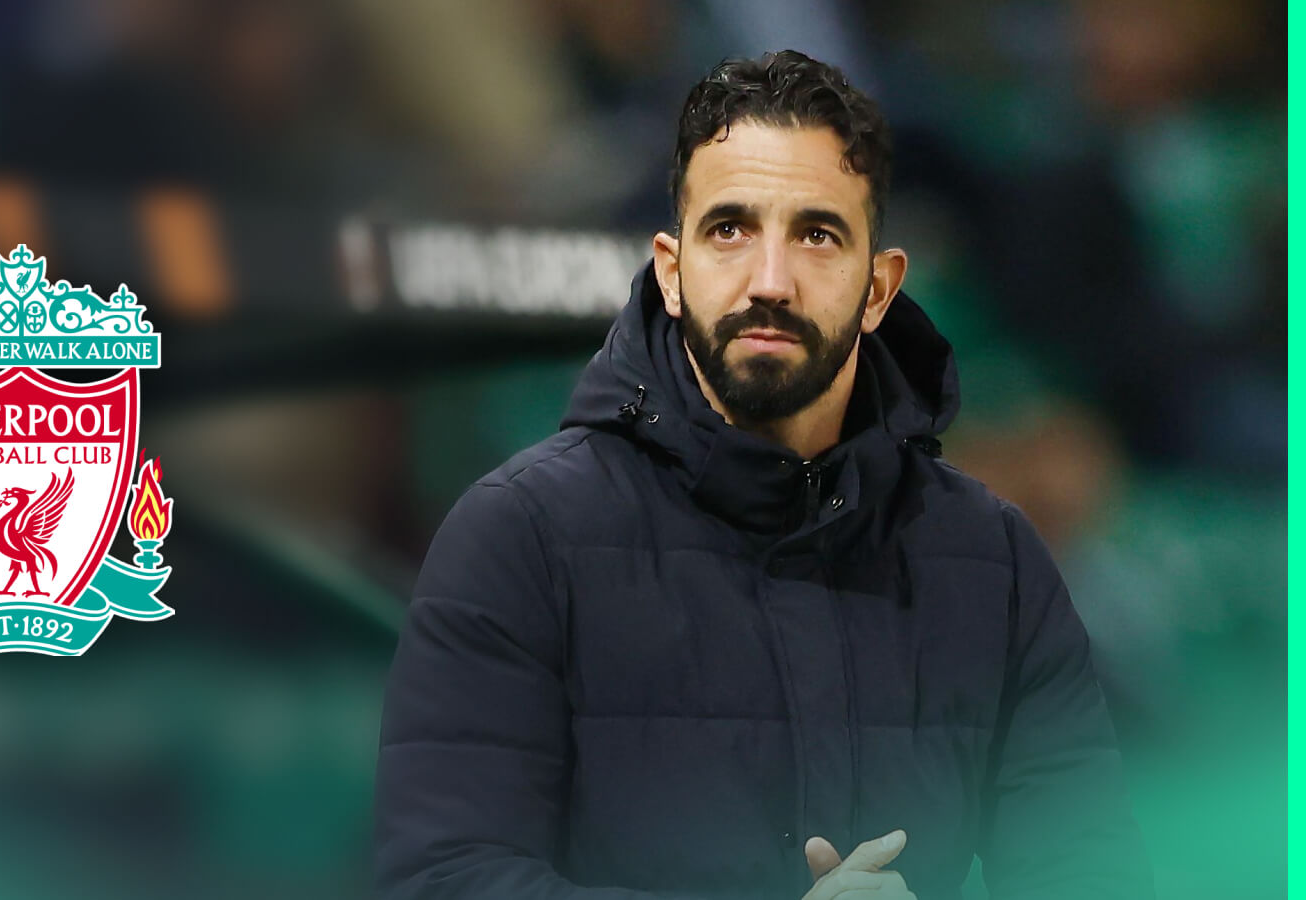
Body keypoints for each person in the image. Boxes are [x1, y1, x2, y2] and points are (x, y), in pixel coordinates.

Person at [373, 50, 1153, 900]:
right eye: (730, 231)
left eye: (817, 234)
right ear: (671, 271)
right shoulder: (516, 537)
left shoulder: (993, 561)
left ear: (879, 289)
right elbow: (442, 879)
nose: (770, 282)